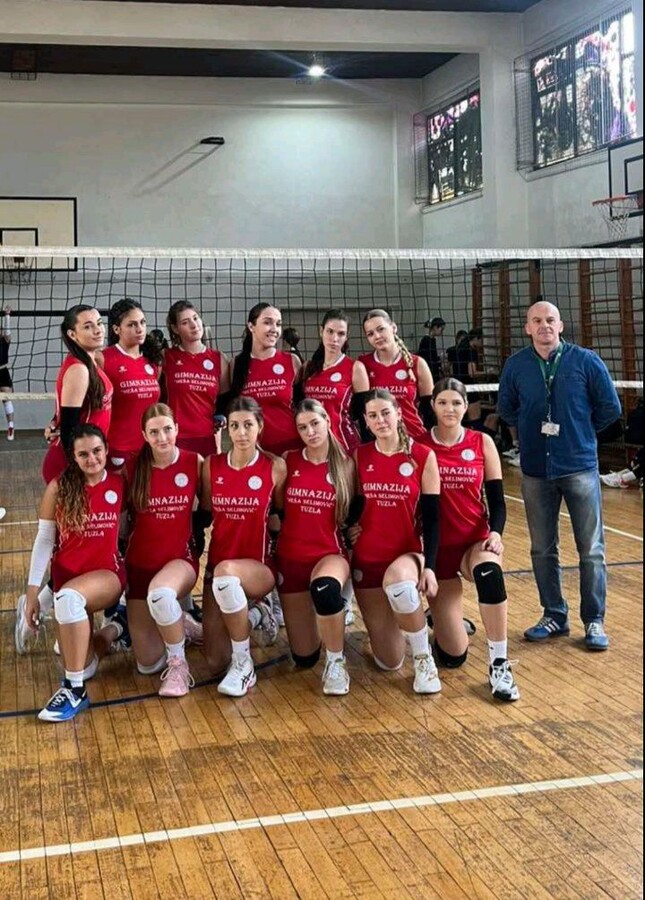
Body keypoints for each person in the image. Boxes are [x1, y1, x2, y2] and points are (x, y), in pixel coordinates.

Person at [498, 300, 621, 651]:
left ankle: (594, 620)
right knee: (542, 548)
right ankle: (554, 615)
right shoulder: (516, 365)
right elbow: (507, 408)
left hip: (579, 466)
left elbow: (610, 409)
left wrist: (579, 434)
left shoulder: (586, 361)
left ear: (561, 325)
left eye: (550, 319)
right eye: (537, 320)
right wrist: (532, 430)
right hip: (536, 469)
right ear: (527, 328)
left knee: (591, 550)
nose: (544, 326)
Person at [20, 425, 127, 722]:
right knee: (86, 665)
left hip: (106, 576)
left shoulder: (119, 483)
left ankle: (74, 691)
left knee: (67, 600)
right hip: (68, 579)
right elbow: (44, 540)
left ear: (106, 450)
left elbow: (127, 531)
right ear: (73, 457)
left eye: (97, 451)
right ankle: (117, 628)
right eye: (84, 454)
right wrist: (32, 594)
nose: (92, 459)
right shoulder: (59, 487)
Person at [426, 378, 519, 701]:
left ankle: (499, 664)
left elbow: (498, 501)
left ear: (466, 406)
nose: (449, 409)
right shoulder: (421, 446)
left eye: (456, 403)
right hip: (437, 550)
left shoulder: (481, 442)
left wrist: (496, 533)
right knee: (453, 657)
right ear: (433, 406)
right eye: (442, 402)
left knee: (490, 573)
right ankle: (438, 621)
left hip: (473, 543)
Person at [350, 389, 442, 694]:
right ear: (365, 421)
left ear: (399, 413)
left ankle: (424, 658)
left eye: (385, 413)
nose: (380, 420)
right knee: (389, 662)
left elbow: (433, 518)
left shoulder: (422, 456)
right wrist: (348, 529)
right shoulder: (360, 456)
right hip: (367, 560)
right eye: (373, 415)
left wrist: (430, 567)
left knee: (400, 584)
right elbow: (351, 507)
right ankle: (402, 627)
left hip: (406, 555)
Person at [200, 396, 287, 696]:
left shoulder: (275, 467)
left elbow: (280, 518)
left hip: (259, 568)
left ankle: (244, 664)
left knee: (226, 573)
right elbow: (205, 514)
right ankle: (257, 614)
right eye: (234, 426)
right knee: (214, 662)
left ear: (260, 426)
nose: (241, 432)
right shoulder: (211, 466)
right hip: (218, 568)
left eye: (248, 425)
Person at [274, 399, 355, 694]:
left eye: (315, 424)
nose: (310, 431)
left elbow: (356, 512)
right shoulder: (289, 460)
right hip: (291, 558)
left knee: (325, 590)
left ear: (327, 422)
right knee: (304, 657)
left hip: (328, 554)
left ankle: (336, 662)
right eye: (302, 427)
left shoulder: (346, 464)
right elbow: (278, 510)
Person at [123, 403, 202, 697]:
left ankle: (179, 666)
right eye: (154, 432)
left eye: (167, 429)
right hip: (140, 566)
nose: (162, 437)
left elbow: (207, 511)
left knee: (161, 594)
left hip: (178, 561)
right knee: (147, 663)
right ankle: (181, 623)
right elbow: (120, 527)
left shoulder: (195, 462)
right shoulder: (132, 468)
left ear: (177, 429)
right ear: (144, 435)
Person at [42, 305, 113, 485]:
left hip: (87, 457)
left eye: (99, 323)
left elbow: (66, 411)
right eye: (88, 326)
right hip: (73, 462)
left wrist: (53, 422)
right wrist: (77, 470)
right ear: (73, 334)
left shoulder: (91, 361)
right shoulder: (79, 369)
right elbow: (68, 427)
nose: (98, 330)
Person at [229, 303, 301, 456]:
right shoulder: (237, 364)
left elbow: (302, 405)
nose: (274, 329)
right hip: (254, 450)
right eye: (267, 322)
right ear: (251, 326)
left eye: (278, 324)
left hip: (291, 446)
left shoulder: (292, 361)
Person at [162, 300, 229, 458]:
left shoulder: (219, 358)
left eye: (195, 318)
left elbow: (224, 399)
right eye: (185, 322)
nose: (194, 325)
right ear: (175, 328)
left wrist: (221, 417)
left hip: (208, 437)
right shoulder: (166, 356)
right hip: (176, 437)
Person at [297, 309, 369, 454]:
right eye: (330, 331)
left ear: (346, 337)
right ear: (321, 331)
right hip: (313, 447)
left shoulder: (355, 368)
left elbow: (364, 415)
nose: (334, 339)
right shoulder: (308, 368)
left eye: (341, 333)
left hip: (344, 445)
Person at [102, 298, 162, 470]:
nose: (139, 329)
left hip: (148, 448)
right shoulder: (102, 359)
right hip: (117, 448)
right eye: (132, 324)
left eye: (142, 322)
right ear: (116, 329)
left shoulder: (153, 361)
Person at [359, 309, 434, 441]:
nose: (377, 336)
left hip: (415, 438)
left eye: (381, 329)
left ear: (393, 327)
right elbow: (361, 411)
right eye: (370, 334)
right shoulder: (363, 364)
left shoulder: (417, 363)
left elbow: (430, 410)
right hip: (381, 441)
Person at [1, 305, 15, 440]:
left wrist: (7, 316)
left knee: (6, 398)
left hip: (3, 371)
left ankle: (11, 426)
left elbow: (7, 332)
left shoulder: (5, 341)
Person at [417, 317, 445, 382]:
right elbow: (427, 357)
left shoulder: (432, 339)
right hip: (429, 371)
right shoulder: (426, 340)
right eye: (441, 329)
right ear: (435, 327)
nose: (442, 332)